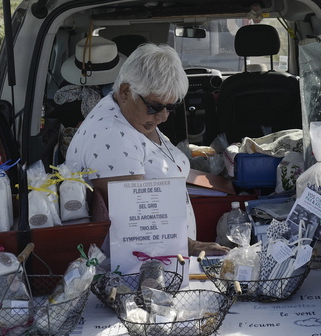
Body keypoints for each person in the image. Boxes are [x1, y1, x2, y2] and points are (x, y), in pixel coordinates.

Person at [64, 43, 226, 256]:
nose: (163, 116)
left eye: (171, 106)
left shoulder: (132, 116)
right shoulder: (112, 137)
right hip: (141, 262)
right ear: (125, 91)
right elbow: (134, 221)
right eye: (155, 106)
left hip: (162, 255)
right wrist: (192, 247)